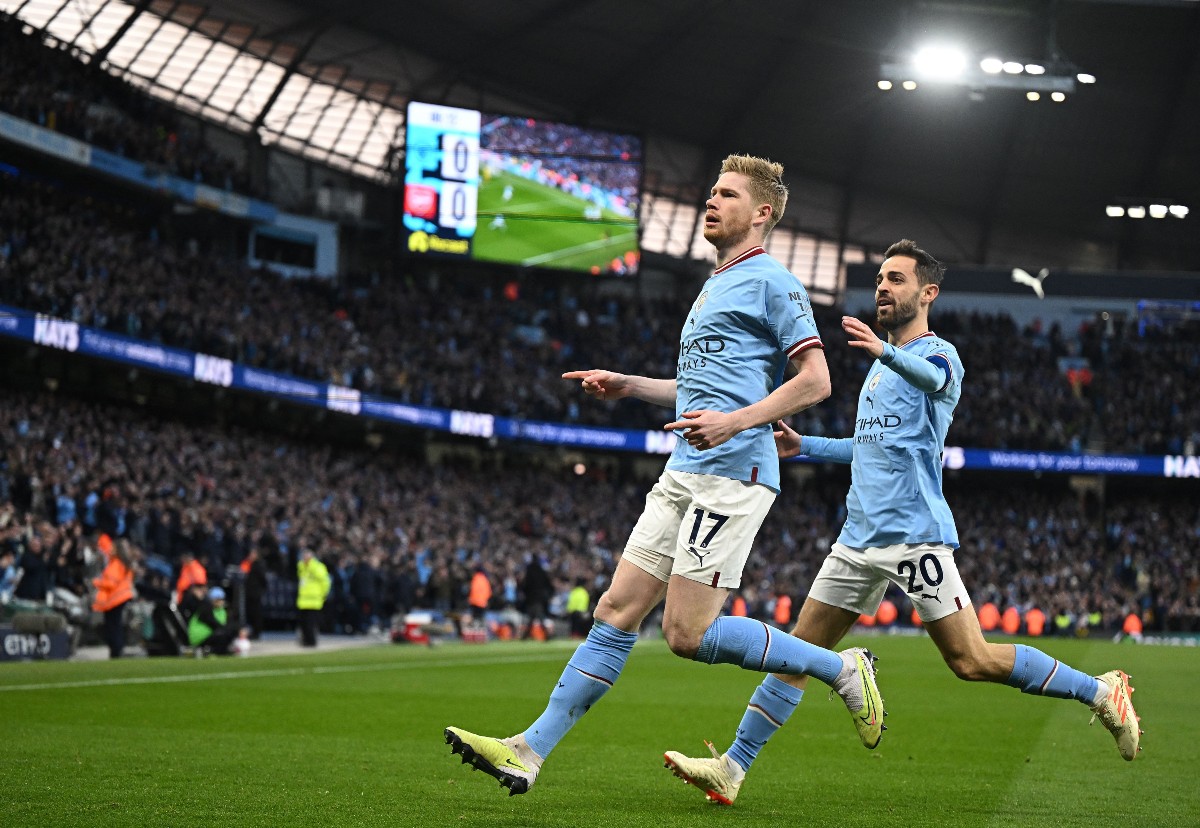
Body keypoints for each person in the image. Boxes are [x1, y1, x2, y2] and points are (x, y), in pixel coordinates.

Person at [444, 153, 884, 797]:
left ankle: (840, 668)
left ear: (761, 212)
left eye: (726, 195)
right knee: (616, 609)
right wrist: (626, 385)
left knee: (685, 634)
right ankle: (528, 749)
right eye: (710, 192)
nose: (711, 201)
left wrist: (737, 424)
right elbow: (698, 389)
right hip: (685, 469)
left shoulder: (773, 282)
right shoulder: (715, 283)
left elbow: (815, 380)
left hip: (734, 473)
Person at [661, 239, 1142, 806]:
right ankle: (733, 768)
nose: (883, 288)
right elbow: (871, 448)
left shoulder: (940, 356)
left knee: (971, 660)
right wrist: (806, 444)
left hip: (913, 535)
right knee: (799, 653)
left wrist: (882, 353)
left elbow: (934, 382)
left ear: (927, 292)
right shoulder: (880, 371)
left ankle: (1100, 692)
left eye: (896, 279)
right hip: (856, 538)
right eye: (881, 279)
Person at [91, 538, 137, 658]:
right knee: (115, 625)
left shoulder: (116, 564)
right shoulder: (121, 563)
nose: (110, 550)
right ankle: (117, 650)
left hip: (116, 599)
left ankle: (116, 651)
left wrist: (97, 582)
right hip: (120, 598)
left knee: (113, 626)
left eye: (113, 548)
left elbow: (111, 583)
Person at [187, 586, 248, 656]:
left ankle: (221, 651)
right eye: (217, 599)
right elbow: (215, 625)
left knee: (228, 632)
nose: (219, 602)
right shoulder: (206, 609)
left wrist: (239, 628)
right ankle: (218, 652)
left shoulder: (222, 611)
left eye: (221, 599)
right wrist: (237, 629)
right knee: (224, 634)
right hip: (200, 638)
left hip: (208, 635)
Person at [296, 548, 330, 647]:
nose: (305, 558)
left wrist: (323, 594)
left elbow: (325, 582)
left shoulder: (318, 567)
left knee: (310, 623)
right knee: (303, 623)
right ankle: (306, 640)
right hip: (303, 600)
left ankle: (311, 641)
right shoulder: (302, 567)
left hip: (314, 600)